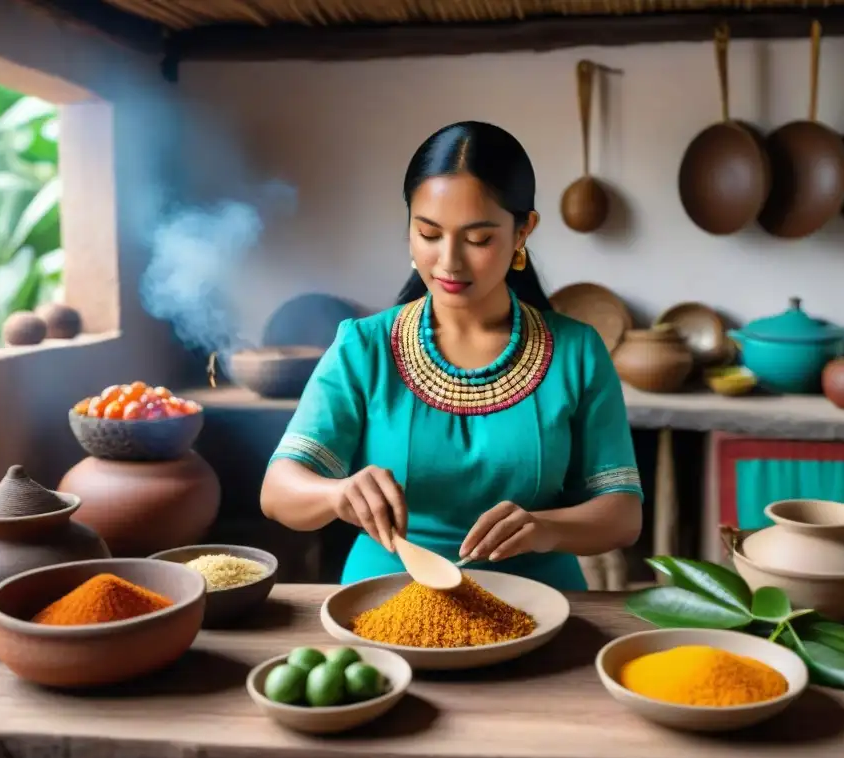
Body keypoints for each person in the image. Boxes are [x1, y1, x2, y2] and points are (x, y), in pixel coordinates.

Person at [260, 121, 642, 591]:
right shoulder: (365, 347)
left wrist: (549, 529)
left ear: (523, 231)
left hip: (542, 601)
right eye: (429, 234)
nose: (449, 262)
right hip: (385, 599)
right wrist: (337, 494)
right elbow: (278, 490)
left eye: (478, 239)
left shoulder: (576, 351)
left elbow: (623, 514)